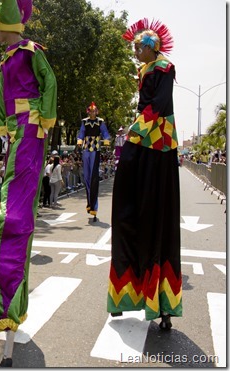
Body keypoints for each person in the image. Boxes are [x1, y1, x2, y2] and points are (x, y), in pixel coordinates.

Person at [0, 0, 57, 366]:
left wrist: (45, 120)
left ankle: (7, 288)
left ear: (9, 26)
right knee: (12, 203)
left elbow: (49, 81)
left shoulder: (30, 51)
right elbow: (1, 98)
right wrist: (3, 127)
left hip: (32, 128)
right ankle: (10, 297)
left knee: (14, 217)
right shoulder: (7, 58)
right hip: (15, 132)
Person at [108, 19, 181, 331]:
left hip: (158, 147)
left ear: (151, 48)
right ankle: (125, 295)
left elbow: (159, 106)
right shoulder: (145, 70)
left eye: (139, 47)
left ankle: (162, 305)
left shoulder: (164, 67)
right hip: (140, 144)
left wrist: (133, 131)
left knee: (157, 220)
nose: (135, 52)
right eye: (134, 47)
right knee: (125, 212)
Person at [76, 102, 111, 221]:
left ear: (97, 112)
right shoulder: (84, 121)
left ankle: (94, 206)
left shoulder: (100, 121)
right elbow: (81, 133)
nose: (92, 112)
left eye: (94, 110)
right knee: (87, 177)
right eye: (90, 111)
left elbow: (105, 132)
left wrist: (106, 140)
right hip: (86, 149)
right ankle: (89, 203)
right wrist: (79, 140)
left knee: (93, 177)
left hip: (95, 149)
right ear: (88, 112)